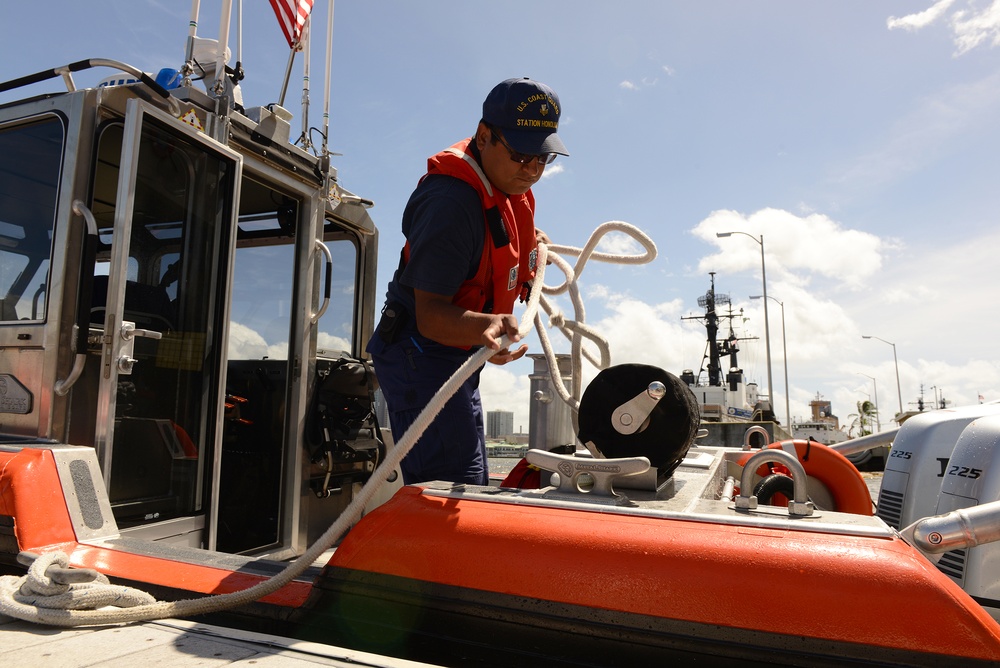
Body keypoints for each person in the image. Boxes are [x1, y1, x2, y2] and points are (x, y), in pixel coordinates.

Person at [366, 77, 568, 486]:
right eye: (521, 155)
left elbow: (496, 244)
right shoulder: (449, 204)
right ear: (483, 135)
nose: (531, 170)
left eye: (542, 159)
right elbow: (431, 316)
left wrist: (531, 242)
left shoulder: (507, 187)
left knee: (470, 482)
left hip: (453, 356)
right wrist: (485, 326)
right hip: (418, 356)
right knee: (454, 488)